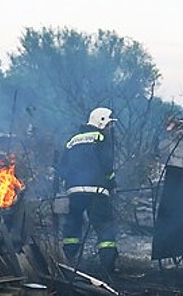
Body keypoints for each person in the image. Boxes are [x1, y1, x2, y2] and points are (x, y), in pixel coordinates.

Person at [57, 107, 118, 273]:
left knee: (73, 226)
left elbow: (62, 167)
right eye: (109, 124)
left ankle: (67, 262)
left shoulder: (72, 140)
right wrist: (112, 184)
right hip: (97, 191)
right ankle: (108, 269)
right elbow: (107, 165)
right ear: (101, 121)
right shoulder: (101, 137)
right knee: (105, 228)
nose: (110, 128)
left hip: (74, 192)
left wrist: (68, 185)